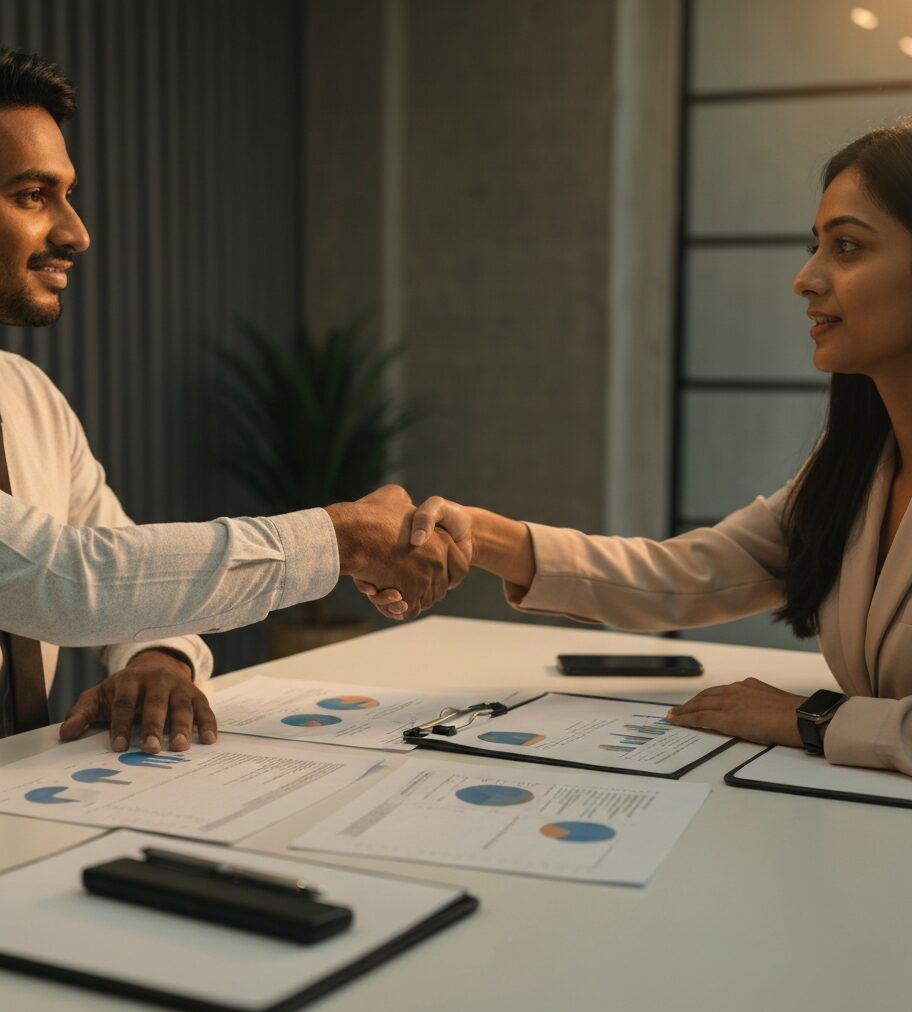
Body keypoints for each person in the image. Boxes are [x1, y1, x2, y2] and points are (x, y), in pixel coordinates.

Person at [0, 38, 465, 770]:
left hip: (9, 818)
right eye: (33, 196)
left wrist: (158, 660)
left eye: (66, 194)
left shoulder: (25, 394)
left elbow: (123, 572)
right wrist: (341, 539)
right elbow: (61, 580)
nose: (76, 232)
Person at [361, 120, 912, 777]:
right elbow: (688, 575)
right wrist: (483, 535)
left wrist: (810, 717)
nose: (805, 278)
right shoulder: (854, 464)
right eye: (815, 246)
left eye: (846, 246)